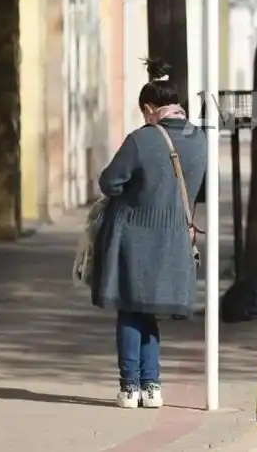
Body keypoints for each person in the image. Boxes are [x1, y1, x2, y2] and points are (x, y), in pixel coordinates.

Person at [92, 59, 207, 409]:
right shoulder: (198, 137)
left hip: (134, 237)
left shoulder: (141, 139)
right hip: (174, 238)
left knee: (130, 310)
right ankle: (153, 386)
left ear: (149, 108)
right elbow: (205, 189)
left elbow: (110, 182)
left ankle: (130, 387)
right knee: (150, 312)